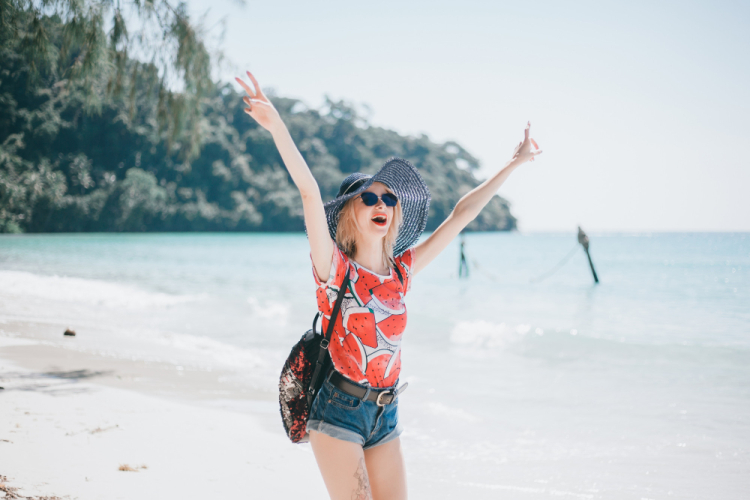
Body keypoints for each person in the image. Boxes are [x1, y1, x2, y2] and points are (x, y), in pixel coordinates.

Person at [235, 71, 542, 500]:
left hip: (387, 412)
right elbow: (308, 192)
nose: (382, 204)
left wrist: (513, 164)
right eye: (369, 198)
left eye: (389, 198)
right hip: (338, 413)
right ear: (348, 213)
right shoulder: (334, 269)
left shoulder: (401, 273)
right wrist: (277, 127)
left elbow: (461, 214)